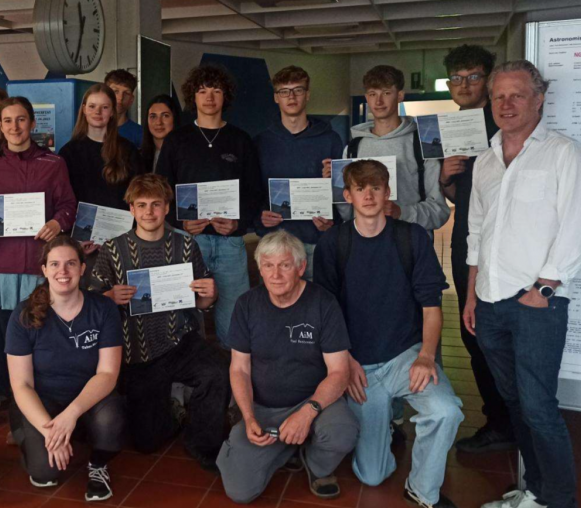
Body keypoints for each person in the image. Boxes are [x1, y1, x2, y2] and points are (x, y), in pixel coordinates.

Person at [465, 60, 581, 508]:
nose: (506, 104)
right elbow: (477, 231)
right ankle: (537, 493)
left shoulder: (563, 154)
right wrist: (473, 291)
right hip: (492, 302)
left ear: (539, 98)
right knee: (516, 402)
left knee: (539, 407)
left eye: (517, 95)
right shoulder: (486, 160)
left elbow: (576, 228)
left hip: (537, 303)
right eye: (499, 96)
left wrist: (542, 288)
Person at [313, 159, 468, 508]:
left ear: (387, 193)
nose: (369, 195)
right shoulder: (334, 243)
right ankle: (380, 428)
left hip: (404, 357)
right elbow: (327, 317)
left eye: (376, 187)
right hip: (358, 367)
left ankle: (423, 488)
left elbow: (432, 307)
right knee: (371, 474)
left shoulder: (410, 237)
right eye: (360, 188)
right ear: (347, 195)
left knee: (446, 410)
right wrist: (344, 363)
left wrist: (427, 357)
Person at [89, 174, 229, 470]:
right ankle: (173, 412)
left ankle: (202, 441)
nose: (149, 212)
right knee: (145, 443)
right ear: (131, 209)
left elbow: (202, 302)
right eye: (141, 205)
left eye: (156, 204)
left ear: (167, 208)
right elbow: (90, 302)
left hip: (180, 341)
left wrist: (210, 294)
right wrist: (109, 296)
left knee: (218, 372)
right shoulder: (113, 249)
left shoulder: (186, 244)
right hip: (136, 352)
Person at [216, 230, 357, 503]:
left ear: (301, 267)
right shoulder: (247, 305)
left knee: (342, 431)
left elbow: (340, 372)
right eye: (268, 266)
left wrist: (308, 412)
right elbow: (239, 370)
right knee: (240, 491)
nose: (276, 275)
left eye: (285, 265)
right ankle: (285, 446)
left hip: (314, 401)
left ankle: (316, 465)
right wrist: (248, 417)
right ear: (259, 269)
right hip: (264, 407)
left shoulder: (323, 303)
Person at [0, 97, 77, 401]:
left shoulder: (53, 163)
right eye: (8, 121)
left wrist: (57, 223)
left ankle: (42, 393)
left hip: (40, 264)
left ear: (32, 123)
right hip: (2, 264)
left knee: (42, 330)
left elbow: (68, 204)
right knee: (2, 333)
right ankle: (4, 392)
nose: (15, 127)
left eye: (21, 119)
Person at [437, 45, 514, 454]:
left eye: (472, 77)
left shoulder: (503, 123)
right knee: (473, 333)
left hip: (502, 240)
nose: (464, 85)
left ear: (487, 79)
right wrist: (446, 178)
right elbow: (454, 194)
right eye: (457, 78)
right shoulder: (454, 127)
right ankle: (498, 419)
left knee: (494, 332)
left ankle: (510, 419)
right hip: (466, 235)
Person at [6, 236, 125, 500]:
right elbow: (21, 385)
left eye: (71, 263)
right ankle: (30, 434)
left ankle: (97, 464)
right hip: (41, 400)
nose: (63, 271)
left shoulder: (103, 309)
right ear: (44, 270)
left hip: (88, 398)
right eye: (55, 264)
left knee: (111, 420)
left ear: (83, 269)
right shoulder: (24, 314)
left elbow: (107, 374)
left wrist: (71, 415)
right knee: (44, 474)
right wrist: (51, 431)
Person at [155, 64, 261, 347]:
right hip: (189, 240)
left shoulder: (240, 140)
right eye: (203, 91)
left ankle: (233, 380)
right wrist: (180, 222)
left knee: (235, 314)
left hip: (230, 243)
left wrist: (239, 223)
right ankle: (194, 381)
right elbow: (163, 190)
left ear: (225, 97)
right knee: (187, 313)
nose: (210, 97)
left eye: (216, 91)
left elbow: (254, 192)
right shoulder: (177, 140)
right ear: (193, 97)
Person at [322, 66, 449, 233]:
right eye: (373, 94)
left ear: (400, 96)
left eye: (386, 93)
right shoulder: (353, 148)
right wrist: (334, 183)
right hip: (365, 246)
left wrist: (401, 212)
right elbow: (348, 213)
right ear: (366, 97)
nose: (378, 101)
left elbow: (439, 212)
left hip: (409, 246)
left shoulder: (421, 146)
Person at [253, 66, 343, 280]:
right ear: (276, 97)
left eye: (298, 90)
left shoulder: (330, 139)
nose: (291, 96)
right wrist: (259, 217)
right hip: (274, 242)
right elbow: (252, 190)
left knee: (318, 305)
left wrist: (331, 219)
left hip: (316, 240)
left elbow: (343, 193)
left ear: (307, 95)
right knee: (277, 307)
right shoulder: (260, 142)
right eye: (284, 91)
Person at [59, 82, 144, 276]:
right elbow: (64, 201)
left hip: (122, 243)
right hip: (82, 246)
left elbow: (139, 196)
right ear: (83, 109)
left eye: (104, 107)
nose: (98, 112)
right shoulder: (68, 152)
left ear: (113, 112)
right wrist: (76, 241)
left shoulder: (128, 150)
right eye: (92, 106)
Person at [140, 94, 179, 172]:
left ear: (174, 118)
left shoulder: (185, 154)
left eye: (165, 116)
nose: (158, 122)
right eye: (153, 116)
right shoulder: (139, 157)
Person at [105, 69, 143, 148]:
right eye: (115, 91)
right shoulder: (94, 128)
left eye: (126, 93)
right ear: (105, 94)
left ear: (131, 100)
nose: (120, 98)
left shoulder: (140, 133)